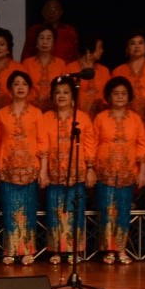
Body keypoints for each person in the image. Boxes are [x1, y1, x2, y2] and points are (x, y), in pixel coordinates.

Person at [91, 77, 145, 265]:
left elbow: (142, 145)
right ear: (109, 96)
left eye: (123, 93)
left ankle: (121, 249)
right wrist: (90, 168)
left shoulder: (135, 119)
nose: (120, 97)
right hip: (105, 172)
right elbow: (92, 143)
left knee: (123, 210)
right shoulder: (100, 118)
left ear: (129, 96)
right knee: (106, 210)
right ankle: (108, 250)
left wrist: (142, 172)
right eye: (116, 93)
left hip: (127, 172)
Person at [41, 76, 96, 265]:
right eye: (57, 92)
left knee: (75, 211)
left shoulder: (82, 118)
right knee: (55, 211)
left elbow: (89, 145)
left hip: (77, 172)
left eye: (65, 92)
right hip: (54, 173)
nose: (61, 96)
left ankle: (74, 250)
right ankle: (56, 250)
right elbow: (43, 146)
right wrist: (43, 171)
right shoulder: (46, 118)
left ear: (73, 96)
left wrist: (90, 168)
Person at [0, 71, 48, 264]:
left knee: (28, 210)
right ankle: (10, 250)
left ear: (29, 88)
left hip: (30, 169)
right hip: (8, 168)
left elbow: (43, 143)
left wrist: (43, 170)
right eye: (16, 84)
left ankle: (27, 250)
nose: (20, 87)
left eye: (24, 84)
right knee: (10, 210)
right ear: (10, 89)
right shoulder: (1, 114)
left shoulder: (36, 113)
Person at [112, 31, 145, 120]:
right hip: (127, 119)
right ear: (127, 49)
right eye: (132, 43)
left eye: (140, 43)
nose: (137, 46)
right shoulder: (118, 71)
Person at [22, 26, 69, 110]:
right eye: (42, 38)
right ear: (36, 41)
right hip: (31, 108)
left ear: (53, 42)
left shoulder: (61, 64)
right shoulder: (27, 63)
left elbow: (64, 86)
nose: (45, 42)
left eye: (49, 38)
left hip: (54, 108)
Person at [68, 34, 110, 120]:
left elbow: (109, 95)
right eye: (99, 47)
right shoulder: (70, 68)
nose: (102, 51)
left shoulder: (104, 71)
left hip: (100, 118)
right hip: (76, 117)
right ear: (88, 50)